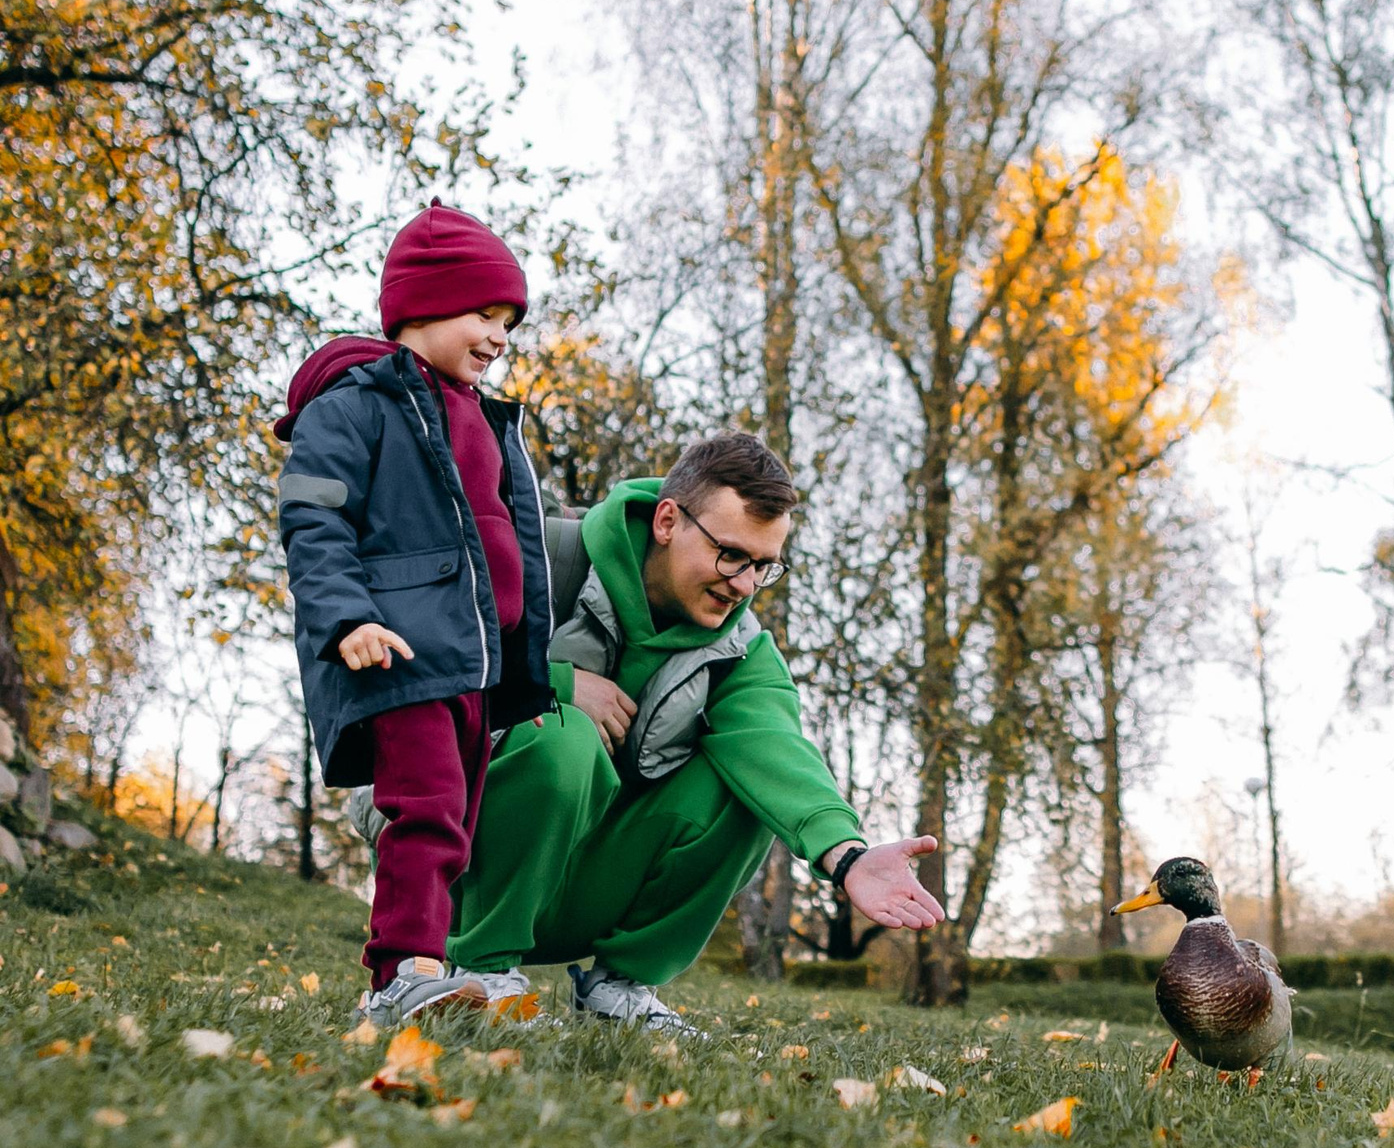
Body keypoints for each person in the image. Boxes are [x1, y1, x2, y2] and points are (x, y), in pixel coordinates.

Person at [443, 430, 940, 1033]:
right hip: (452, 874)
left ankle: (619, 990)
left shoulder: (741, 646)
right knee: (563, 734)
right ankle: (481, 975)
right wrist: (554, 685)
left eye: (764, 566)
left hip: (580, 887)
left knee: (745, 785)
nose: (744, 584)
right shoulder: (535, 556)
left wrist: (848, 856)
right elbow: (428, 660)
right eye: (731, 554)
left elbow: (775, 749)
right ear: (668, 520)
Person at [276, 199, 555, 1028]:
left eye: (509, 321)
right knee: (426, 810)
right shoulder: (356, 404)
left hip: (473, 662)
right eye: (484, 312)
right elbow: (313, 519)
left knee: (462, 823)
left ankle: (444, 968)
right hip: (399, 652)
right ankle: (401, 973)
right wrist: (345, 617)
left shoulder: (486, 420)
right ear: (422, 306)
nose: (500, 336)